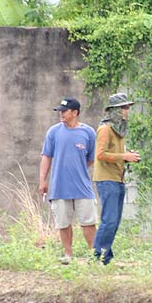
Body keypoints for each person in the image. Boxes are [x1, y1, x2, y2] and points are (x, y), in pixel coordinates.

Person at [39, 97, 97, 264]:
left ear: (75, 113)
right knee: (63, 223)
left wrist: (78, 168)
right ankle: (68, 254)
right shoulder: (54, 132)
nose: (61, 114)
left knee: (88, 222)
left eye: (64, 111)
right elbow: (46, 156)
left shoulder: (88, 132)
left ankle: (94, 255)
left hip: (82, 187)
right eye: (60, 111)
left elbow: (91, 158)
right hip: (59, 186)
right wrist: (43, 180)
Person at [93, 93, 140, 265]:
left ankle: (106, 257)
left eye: (127, 108)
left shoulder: (119, 129)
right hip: (107, 180)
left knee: (115, 221)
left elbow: (116, 154)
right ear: (114, 110)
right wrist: (124, 156)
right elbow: (100, 154)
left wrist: (127, 156)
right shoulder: (105, 129)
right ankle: (97, 257)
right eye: (124, 108)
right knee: (109, 220)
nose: (127, 111)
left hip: (118, 179)